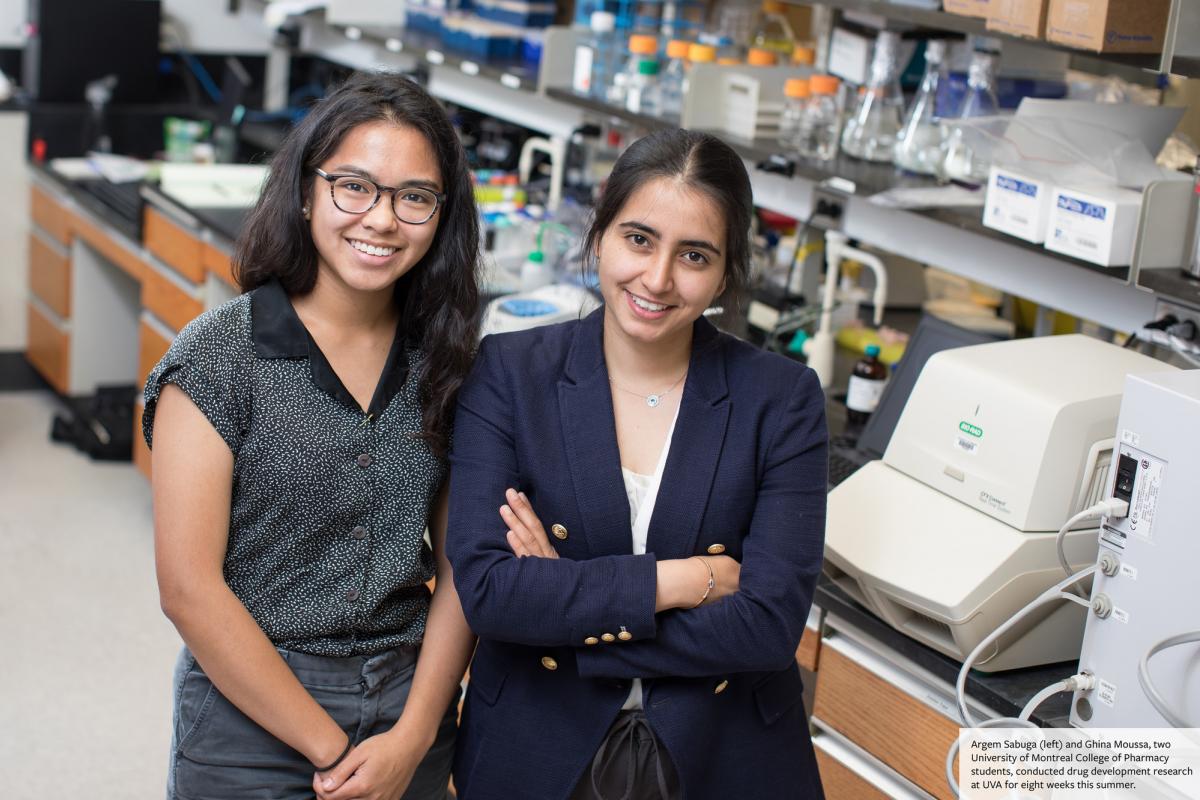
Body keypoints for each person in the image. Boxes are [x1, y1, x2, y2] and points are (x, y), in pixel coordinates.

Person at [447, 128, 828, 800]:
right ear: (599, 235)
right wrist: (685, 580)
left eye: (695, 255)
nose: (657, 279)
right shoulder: (509, 374)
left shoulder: (782, 399)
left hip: (725, 756)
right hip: (536, 750)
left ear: (726, 271)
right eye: (639, 239)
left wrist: (568, 612)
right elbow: (491, 593)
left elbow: (768, 628)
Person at [144, 72, 479, 800]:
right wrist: (335, 751)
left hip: (408, 707)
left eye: (413, 197)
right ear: (304, 191)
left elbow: (461, 568)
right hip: (250, 716)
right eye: (353, 186)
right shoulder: (218, 358)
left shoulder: (443, 361)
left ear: (441, 215)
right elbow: (187, 589)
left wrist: (415, 735)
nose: (382, 220)